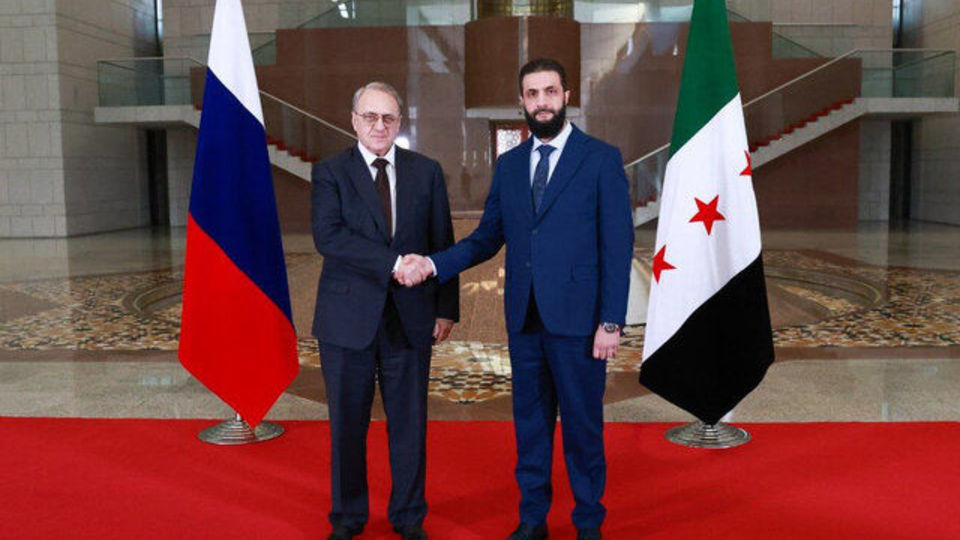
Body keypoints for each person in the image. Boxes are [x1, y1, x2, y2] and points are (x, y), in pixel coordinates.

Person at [397, 59, 634, 540]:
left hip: (580, 323)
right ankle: (532, 520)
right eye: (532, 94)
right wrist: (433, 264)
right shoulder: (509, 166)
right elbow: (486, 238)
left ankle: (588, 522)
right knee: (530, 427)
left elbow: (617, 245)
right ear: (521, 101)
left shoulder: (600, 159)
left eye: (550, 91)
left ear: (566, 96)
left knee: (583, 429)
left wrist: (611, 321)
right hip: (525, 320)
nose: (542, 102)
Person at [311, 81, 459, 540]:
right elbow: (329, 237)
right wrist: (395, 264)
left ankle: (409, 518)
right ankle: (348, 518)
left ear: (399, 122)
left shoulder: (426, 171)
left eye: (388, 117)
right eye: (370, 116)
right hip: (346, 321)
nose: (379, 125)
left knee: (410, 427)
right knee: (347, 427)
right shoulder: (330, 171)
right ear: (354, 120)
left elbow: (442, 241)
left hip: (411, 320)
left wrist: (446, 309)